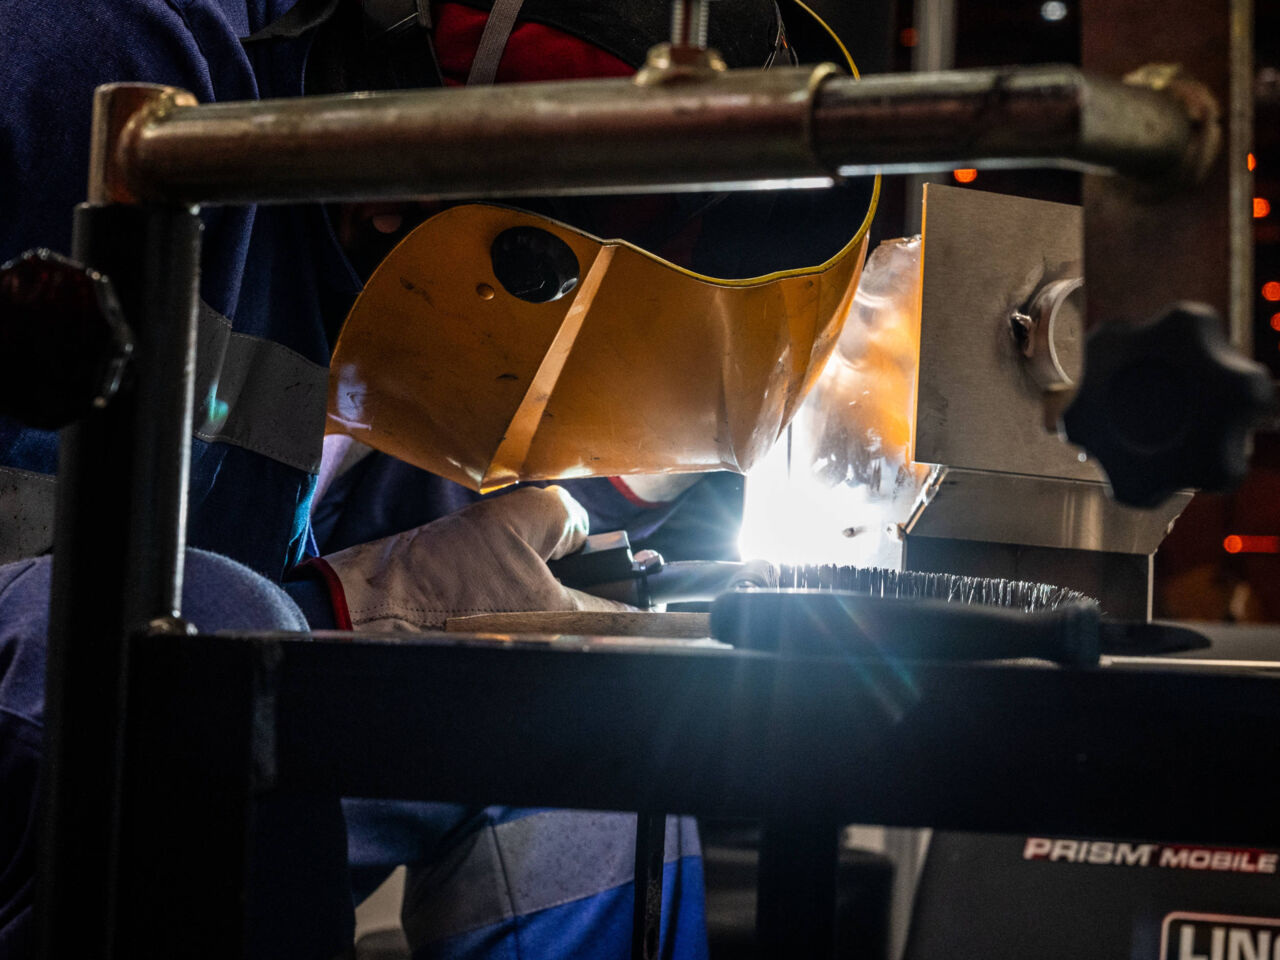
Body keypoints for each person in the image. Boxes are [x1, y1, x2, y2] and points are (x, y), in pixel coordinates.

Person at [0, 0, 873, 956]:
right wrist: (346, 613)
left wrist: (413, 596)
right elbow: (134, 615)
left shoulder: (325, 235)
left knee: (562, 714)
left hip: (134, 740)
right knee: (221, 628)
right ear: (403, 180)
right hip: (72, 758)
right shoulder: (92, 61)